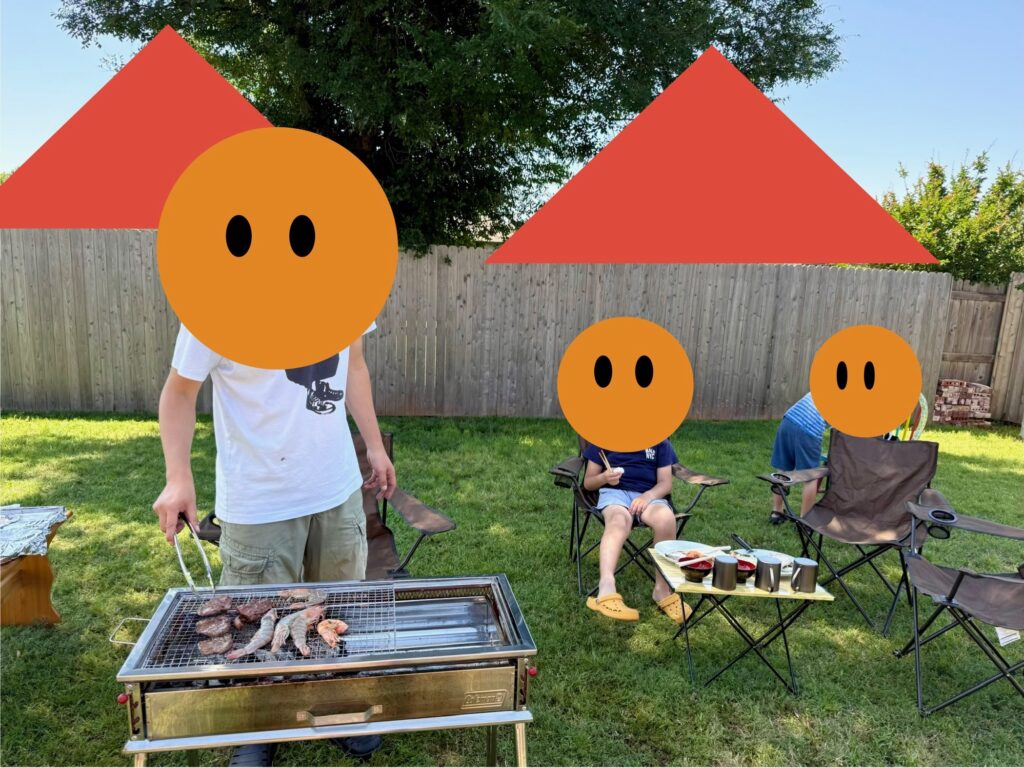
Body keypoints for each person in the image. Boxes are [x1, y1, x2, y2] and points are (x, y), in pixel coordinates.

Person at [152, 323, 394, 767]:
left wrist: (374, 446)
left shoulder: (348, 289)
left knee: (335, 608)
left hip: (336, 488)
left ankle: (335, 702)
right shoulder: (213, 300)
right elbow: (180, 392)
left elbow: (354, 365)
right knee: (255, 621)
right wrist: (177, 476)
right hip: (258, 500)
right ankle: (257, 723)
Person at [581, 440, 690, 624]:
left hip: (650, 496)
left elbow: (665, 484)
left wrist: (647, 497)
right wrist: (604, 477)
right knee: (618, 522)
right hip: (615, 494)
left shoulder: (659, 441)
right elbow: (588, 483)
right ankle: (606, 587)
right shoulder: (603, 437)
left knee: (666, 520)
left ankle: (662, 590)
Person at [768, 392, 827, 525]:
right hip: (810, 428)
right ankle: (805, 521)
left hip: (788, 421)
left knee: (782, 469)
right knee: (810, 476)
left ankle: (777, 512)